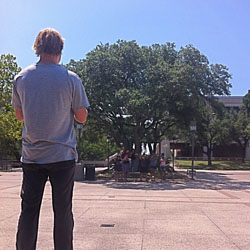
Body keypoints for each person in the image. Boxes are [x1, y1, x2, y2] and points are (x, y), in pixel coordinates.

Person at [12, 28, 90, 250]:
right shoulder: (71, 79)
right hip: (62, 155)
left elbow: (19, 116)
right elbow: (82, 117)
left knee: (29, 211)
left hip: (32, 156)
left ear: (37, 48)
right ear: (60, 50)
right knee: (63, 211)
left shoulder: (21, 78)